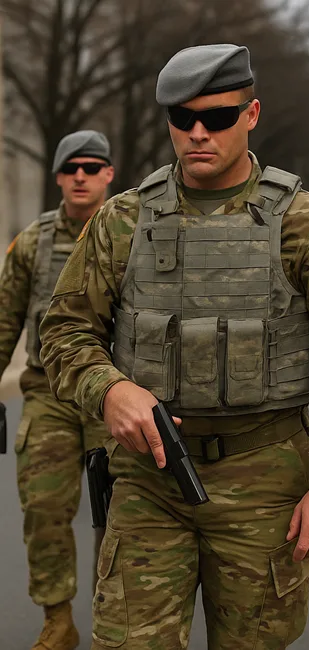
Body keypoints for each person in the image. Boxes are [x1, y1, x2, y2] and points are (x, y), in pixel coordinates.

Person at [40, 44, 309, 649]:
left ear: (251, 114)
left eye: (218, 118)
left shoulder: (307, 226)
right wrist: (110, 390)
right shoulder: (122, 221)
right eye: (182, 119)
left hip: (265, 486)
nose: (199, 133)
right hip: (149, 483)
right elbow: (63, 331)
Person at [0, 130, 114, 650]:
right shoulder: (33, 241)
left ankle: (117, 621)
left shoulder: (133, 233)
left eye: (93, 167)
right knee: (43, 509)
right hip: (49, 394)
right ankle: (58, 619)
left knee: (121, 518)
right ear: (59, 178)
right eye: (73, 168)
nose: (82, 176)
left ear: (109, 174)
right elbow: (5, 321)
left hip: (116, 397)